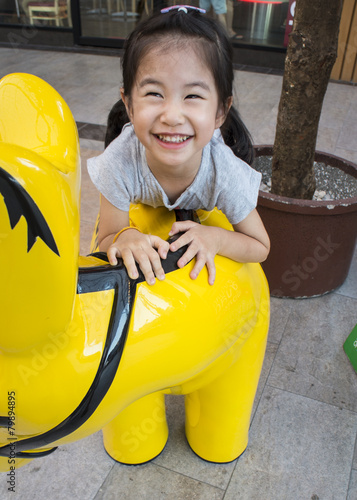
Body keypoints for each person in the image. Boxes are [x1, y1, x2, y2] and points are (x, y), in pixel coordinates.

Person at [88, 5, 270, 287]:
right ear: (129, 104)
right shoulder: (119, 161)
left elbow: (260, 245)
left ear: (221, 111)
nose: (172, 116)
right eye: (154, 93)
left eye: (193, 95)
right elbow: (106, 237)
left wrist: (217, 238)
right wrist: (124, 237)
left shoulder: (223, 170)